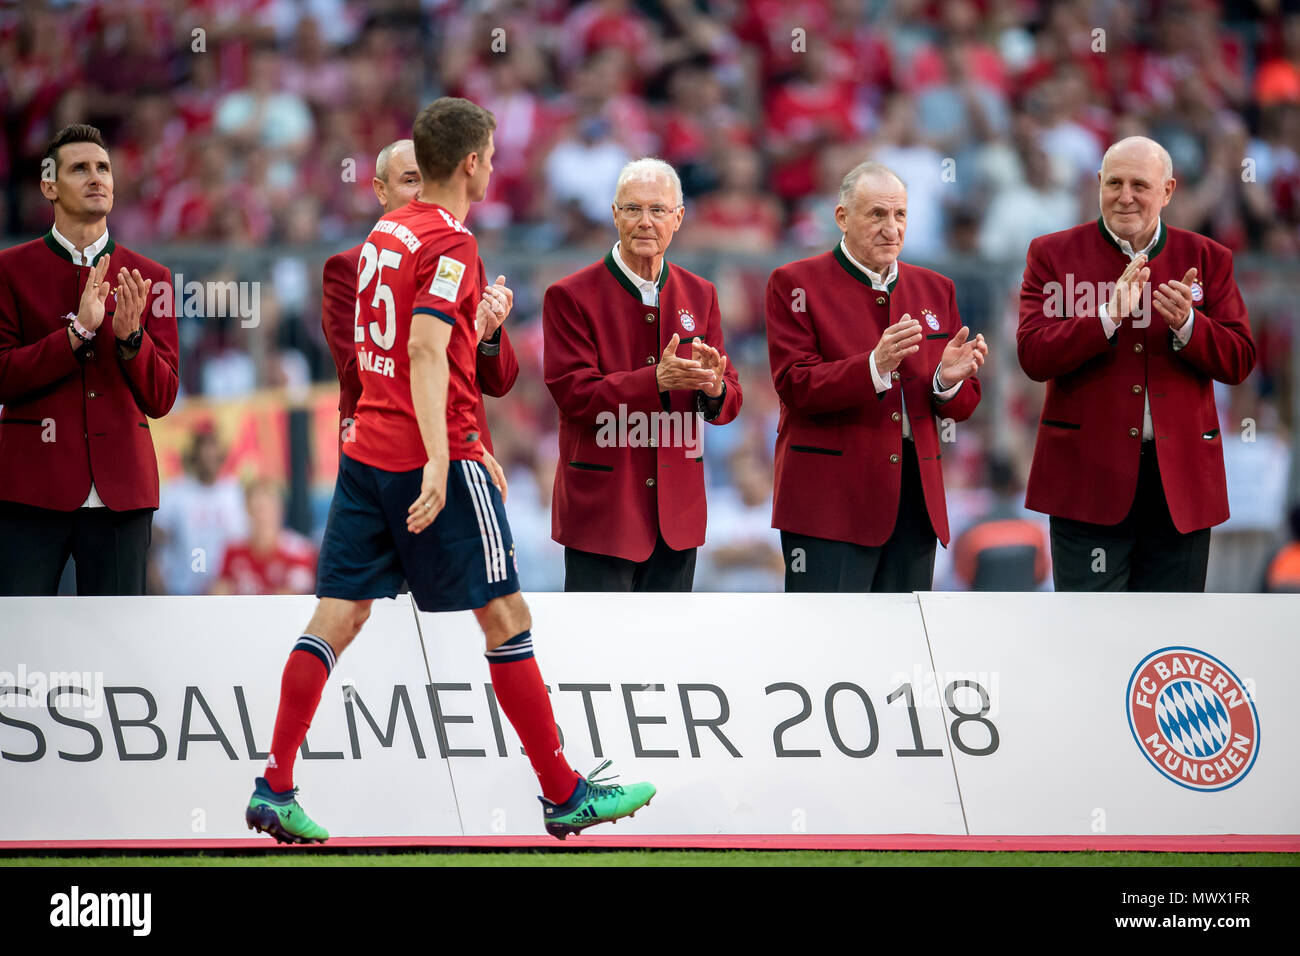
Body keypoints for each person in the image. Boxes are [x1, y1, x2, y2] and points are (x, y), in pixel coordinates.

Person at [245, 98, 653, 845]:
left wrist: (472, 350)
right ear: (471, 162)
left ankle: (274, 784)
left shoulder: (381, 235)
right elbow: (426, 351)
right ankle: (563, 795)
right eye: (491, 156)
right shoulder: (452, 244)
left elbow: (416, 353)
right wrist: (444, 453)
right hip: (428, 455)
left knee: (337, 617)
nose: (495, 167)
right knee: (507, 617)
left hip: (366, 455)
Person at [1017, 136, 1256, 591]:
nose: (1125, 196)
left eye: (1139, 185)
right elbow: (1033, 354)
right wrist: (1105, 316)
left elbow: (1240, 359)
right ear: (1098, 185)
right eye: (1114, 183)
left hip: (1180, 487)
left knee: (1169, 640)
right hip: (1087, 482)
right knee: (1091, 633)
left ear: (1167, 191)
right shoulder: (1051, 254)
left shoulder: (1209, 258)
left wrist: (1189, 324)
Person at [765, 161, 986, 592]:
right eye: (877, 214)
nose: (891, 227)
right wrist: (874, 367)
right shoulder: (793, 282)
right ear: (842, 218)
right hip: (828, 506)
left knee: (902, 650)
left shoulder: (937, 288)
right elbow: (795, 385)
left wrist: (946, 381)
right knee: (828, 645)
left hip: (915, 503)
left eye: (900, 214)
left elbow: (961, 405)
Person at [542, 157, 742, 591]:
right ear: (615, 215)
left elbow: (730, 396)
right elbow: (574, 395)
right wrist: (654, 382)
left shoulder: (701, 293)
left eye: (657, 210)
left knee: (667, 653)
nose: (645, 221)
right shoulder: (570, 295)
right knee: (598, 651)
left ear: (679, 217)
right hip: (602, 515)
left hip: (679, 514)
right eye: (632, 209)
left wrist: (714, 388)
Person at [0, 124, 178, 595]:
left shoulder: (151, 276)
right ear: (49, 186)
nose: (96, 177)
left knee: (120, 651)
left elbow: (162, 398)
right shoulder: (9, 269)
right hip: (29, 492)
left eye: (103, 168)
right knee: (21, 645)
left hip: (125, 494)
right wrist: (76, 334)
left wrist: (131, 340)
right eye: (80, 168)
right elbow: (3, 377)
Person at [321, 139, 518, 451]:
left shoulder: (462, 259)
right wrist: (469, 332)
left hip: (462, 454)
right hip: (384, 457)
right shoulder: (348, 268)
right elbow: (361, 373)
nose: (424, 192)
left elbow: (500, 381)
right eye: (411, 180)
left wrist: (490, 334)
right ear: (381, 190)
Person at [151, 424, 248, 595]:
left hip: (224, 591)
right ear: (194, 455)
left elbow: (244, 540)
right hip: (181, 589)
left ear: (221, 455)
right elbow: (154, 540)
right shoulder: (175, 492)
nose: (209, 455)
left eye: (213, 448)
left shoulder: (233, 491)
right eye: (204, 448)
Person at [212, 478, 316, 595]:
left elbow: (293, 598)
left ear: (280, 510)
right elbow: (220, 590)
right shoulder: (233, 550)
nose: (262, 517)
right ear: (247, 511)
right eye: (256, 509)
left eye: (267, 508)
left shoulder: (299, 551)